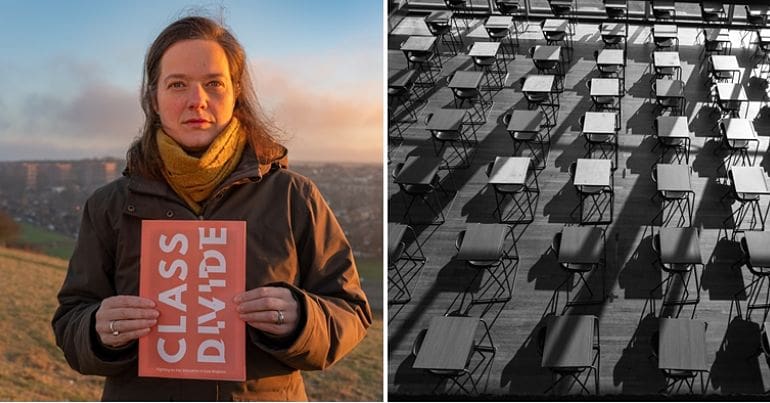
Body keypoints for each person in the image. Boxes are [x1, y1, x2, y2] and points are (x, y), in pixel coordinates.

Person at [51, 15, 372, 401]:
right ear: (153, 98)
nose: (196, 100)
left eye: (213, 84)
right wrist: (97, 330)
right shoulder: (109, 205)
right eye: (178, 84)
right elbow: (71, 319)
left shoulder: (293, 197)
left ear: (236, 92)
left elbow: (350, 312)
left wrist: (302, 319)